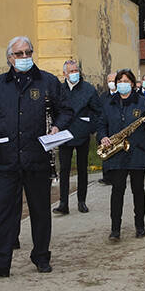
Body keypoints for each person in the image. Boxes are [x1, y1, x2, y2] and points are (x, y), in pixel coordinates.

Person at [0, 36, 73, 277]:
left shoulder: (47, 81)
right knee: (4, 213)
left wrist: (57, 126)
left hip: (37, 157)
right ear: (9, 58)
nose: (25, 57)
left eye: (28, 52)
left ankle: (41, 257)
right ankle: (0, 264)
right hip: (7, 158)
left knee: (40, 211)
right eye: (19, 54)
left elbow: (66, 110)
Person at [98, 69, 145, 241]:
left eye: (126, 80)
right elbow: (101, 124)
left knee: (138, 190)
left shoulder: (143, 102)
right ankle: (115, 229)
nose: (122, 83)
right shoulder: (109, 103)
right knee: (117, 191)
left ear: (132, 83)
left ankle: (140, 226)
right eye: (119, 81)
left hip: (138, 151)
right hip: (116, 153)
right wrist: (103, 137)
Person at [55, 59, 100, 215]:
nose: (74, 73)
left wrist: (90, 127)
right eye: (71, 71)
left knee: (82, 168)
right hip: (64, 134)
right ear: (64, 73)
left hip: (82, 133)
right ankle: (63, 203)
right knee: (64, 169)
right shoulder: (59, 90)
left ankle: (82, 201)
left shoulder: (88, 89)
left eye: (76, 70)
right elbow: (55, 111)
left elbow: (97, 111)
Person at [97, 72, 118, 186]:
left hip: (117, 128)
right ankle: (106, 176)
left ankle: (117, 175)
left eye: (113, 80)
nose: (111, 83)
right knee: (106, 152)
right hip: (105, 128)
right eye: (109, 81)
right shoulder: (103, 96)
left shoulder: (121, 95)